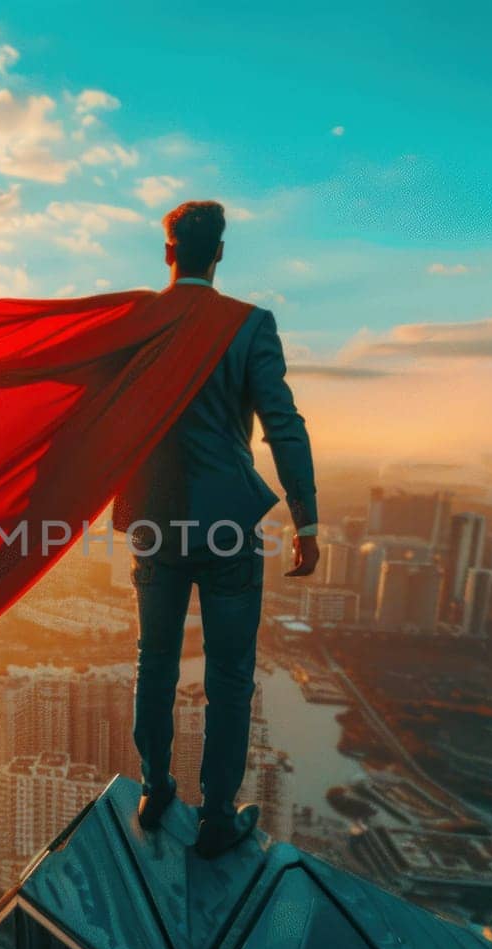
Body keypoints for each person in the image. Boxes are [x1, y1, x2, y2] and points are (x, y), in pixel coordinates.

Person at [113, 200, 320, 859]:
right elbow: (283, 426)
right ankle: (217, 817)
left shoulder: (139, 324)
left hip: (156, 522)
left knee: (156, 662)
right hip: (230, 524)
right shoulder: (249, 326)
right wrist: (306, 519)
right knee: (231, 675)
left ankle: (153, 787)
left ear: (168, 251)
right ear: (221, 253)